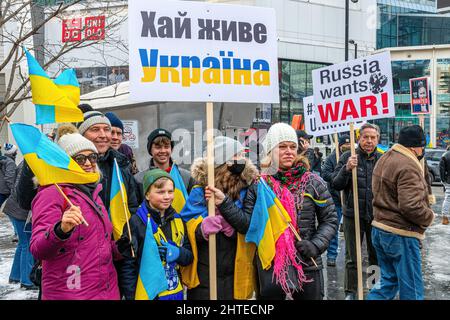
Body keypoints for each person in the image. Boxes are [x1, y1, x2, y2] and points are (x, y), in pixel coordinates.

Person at [30, 133, 121, 300]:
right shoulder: (52, 193)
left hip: (106, 291)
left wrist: (118, 249)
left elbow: (94, 245)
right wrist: (61, 230)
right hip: (70, 292)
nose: (88, 163)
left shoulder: (93, 192)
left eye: (92, 157)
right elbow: (38, 249)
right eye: (79, 159)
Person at [260, 123, 337, 300]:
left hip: (308, 261)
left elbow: (330, 219)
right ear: (270, 150)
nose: (289, 151)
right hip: (272, 264)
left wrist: (316, 245)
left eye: (293, 147)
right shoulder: (261, 183)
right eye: (282, 147)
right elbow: (249, 221)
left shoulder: (313, 182)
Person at [181, 136, 259, 300]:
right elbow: (185, 225)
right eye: (235, 156)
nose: (241, 160)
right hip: (205, 272)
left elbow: (250, 225)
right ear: (223, 163)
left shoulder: (247, 187)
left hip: (235, 269)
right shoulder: (200, 189)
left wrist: (230, 224)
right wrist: (201, 228)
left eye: (241, 155)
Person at [367, 125, 435, 300]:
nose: (423, 151)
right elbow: (411, 206)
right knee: (412, 288)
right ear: (414, 147)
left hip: (380, 229)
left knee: (388, 282)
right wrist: (429, 217)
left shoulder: (385, 158)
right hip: (400, 233)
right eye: (422, 146)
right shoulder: (407, 165)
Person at [119, 169, 193, 300]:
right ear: (147, 195)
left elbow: (189, 257)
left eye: (170, 192)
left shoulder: (178, 219)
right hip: (147, 294)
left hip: (175, 292)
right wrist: (131, 296)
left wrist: (178, 253)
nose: (167, 196)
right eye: (160, 192)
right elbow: (127, 267)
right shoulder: (135, 222)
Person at [331, 123, 382, 300]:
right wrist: (346, 169)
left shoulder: (382, 159)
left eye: (372, 137)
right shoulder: (348, 156)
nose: (369, 141)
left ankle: (375, 289)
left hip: (376, 217)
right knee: (352, 257)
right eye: (365, 137)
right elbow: (336, 184)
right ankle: (351, 292)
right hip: (353, 216)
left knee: (376, 256)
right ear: (359, 138)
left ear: (378, 139)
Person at [76, 110, 139, 214]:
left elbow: (132, 206)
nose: (103, 135)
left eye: (106, 129)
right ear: (82, 135)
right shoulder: (73, 167)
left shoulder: (122, 164)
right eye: (95, 129)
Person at [134, 128, 195, 203]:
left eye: (166, 147)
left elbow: (194, 205)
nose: (163, 151)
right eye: (158, 147)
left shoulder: (186, 177)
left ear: (171, 149)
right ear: (150, 150)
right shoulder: (139, 179)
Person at [4, 161, 35, 290]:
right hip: (20, 210)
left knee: (22, 244)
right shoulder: (32, 163)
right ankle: (27, 281)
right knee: (27, 244)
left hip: (13, 207)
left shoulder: (25, 161)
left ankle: (15, 276)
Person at [321, 135, 350, 267]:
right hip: (335, 199)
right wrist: (339, 176)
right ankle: (331, 255)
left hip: (350, 199)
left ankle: (351, 256)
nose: (347, 148)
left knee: (352, 230)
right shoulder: (331, 158)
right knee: (333, 227)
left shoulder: (354, 157)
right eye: (345, 145)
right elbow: (325, 174)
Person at [439, 145, 450, 224]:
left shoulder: (444, 155)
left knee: (448, 198)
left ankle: (445, 217)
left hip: (448, 180)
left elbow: (441, 169)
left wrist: (443, 180)